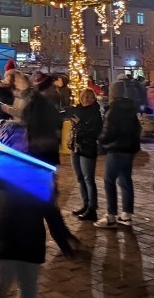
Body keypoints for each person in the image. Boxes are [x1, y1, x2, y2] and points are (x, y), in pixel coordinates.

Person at [0, 108, 49, 298]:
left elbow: (49, 205)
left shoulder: (34, 166)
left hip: (29, 235)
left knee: (28, 286)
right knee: (0, 283)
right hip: (4, 234)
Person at [24, 80, 77, 257]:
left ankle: (63, 238)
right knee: (46, 205)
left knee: (46, 204)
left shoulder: (33, 106)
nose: (54, 90)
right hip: (43, 159)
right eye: (51, 88)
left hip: (37, 159)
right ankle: (63, 241)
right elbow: (55, 124)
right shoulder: (44, 107)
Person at [94, 77, 140, 229]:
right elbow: (137, 129)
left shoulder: (113, 110)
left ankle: (111, 215)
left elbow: (109, 132)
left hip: (116, 149)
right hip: (129, 149)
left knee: (109, 180)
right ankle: (126, 214)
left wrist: (100, 141)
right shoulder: (130, 108)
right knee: (126, 179)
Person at [69, 88, 103, 222]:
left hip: (88, 148)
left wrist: (80, 124)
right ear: (80, 97)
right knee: (79, 177)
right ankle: (85, 204)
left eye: (91, 97)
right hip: (75, 147)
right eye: (85, 97)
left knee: (88, 178)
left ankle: (92, 208)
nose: (88, 99)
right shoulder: (76, 110)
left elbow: (96, 132)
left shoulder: (96, 113)